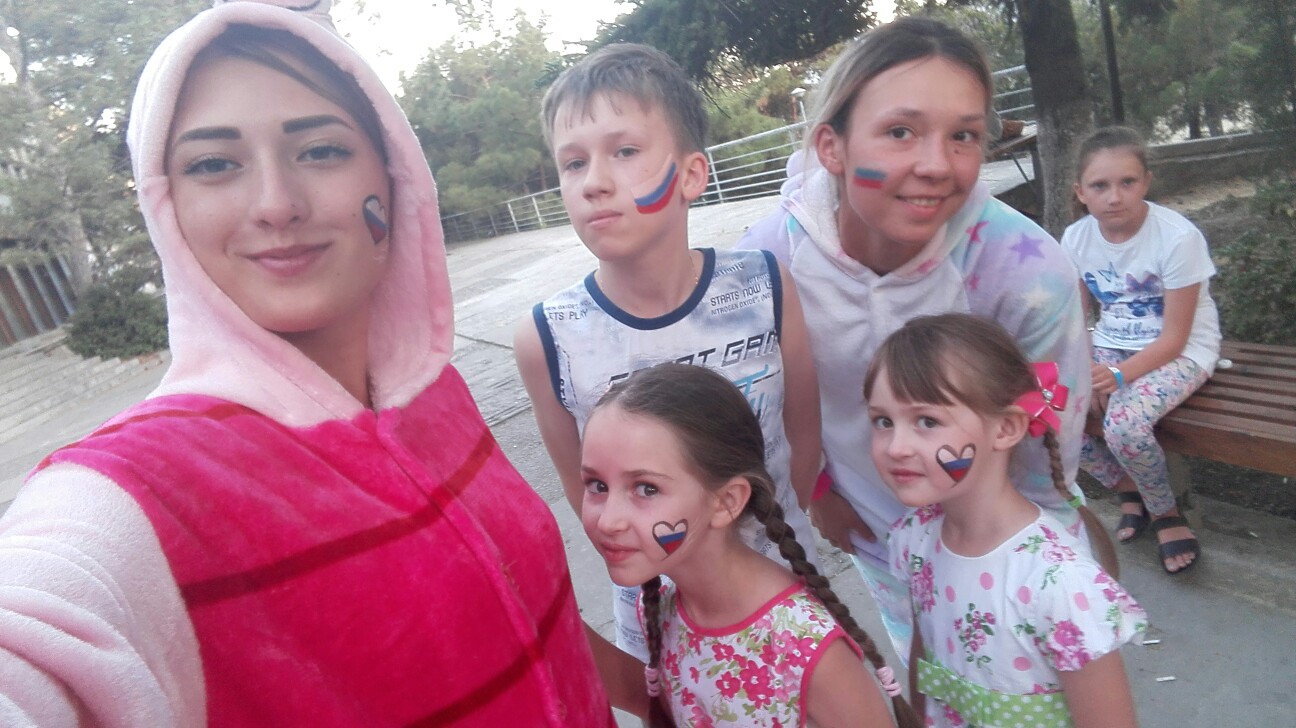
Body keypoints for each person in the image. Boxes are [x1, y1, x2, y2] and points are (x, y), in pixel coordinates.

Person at [0, 1, 632, 724]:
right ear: (165, 205)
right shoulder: (141, 488)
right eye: (214, 164)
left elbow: (518, 603)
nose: (276, 204)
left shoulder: (432, 393)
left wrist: (656, 689)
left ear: (394, 175)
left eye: (321, 150)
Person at [736, 16, 1092, 657]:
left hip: (1010, 542)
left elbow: (1049, 450)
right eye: (901, 131)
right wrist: (821, 493)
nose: (936, 165)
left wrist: (1042, 572)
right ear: (832, 147)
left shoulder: (1027, 274)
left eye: (964, 136)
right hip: (876, 535)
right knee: (930, 680)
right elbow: (766, 404)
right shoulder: (766, 266)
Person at [515, 43, 822, 663]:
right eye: (573, 162)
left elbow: (804, 440)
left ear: (691, 175)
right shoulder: (547, 337)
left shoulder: (765, 286)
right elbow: (584, 490)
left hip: (783, 586)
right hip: (661, 620)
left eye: (624, 151)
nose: (594, 181)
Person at [582, 363, 919, 728]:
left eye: (647, 489)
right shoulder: (663, 607)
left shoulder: (803, 648)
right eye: (597, 485)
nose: (608, 520)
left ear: (726, 502)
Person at [868, 313, 1144, 728]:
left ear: (1006, 428)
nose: (896, 447)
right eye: (883, 421)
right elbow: (928, 664)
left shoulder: (1059, 584)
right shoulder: (914, 538)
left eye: (927, 421)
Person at [1061, 125, 1220, 574]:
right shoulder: (1076, 238)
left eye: (1127, 182)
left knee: (1125, 426)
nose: (1115, 197)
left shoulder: (1177, 238)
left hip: (1181, 352)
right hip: (1111, 346)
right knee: (1055, 412)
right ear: (1081, 192)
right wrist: (1085, 368)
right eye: (1100, 186)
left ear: (1146, 182)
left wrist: (1115, 377)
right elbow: (1074, 318)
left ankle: (1166, 513)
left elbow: (1175, 338)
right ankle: (1128, 488)